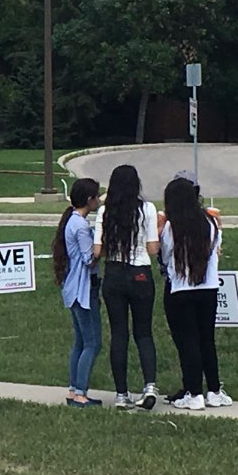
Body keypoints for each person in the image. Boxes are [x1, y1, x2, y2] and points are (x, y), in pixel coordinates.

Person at [160, 176, 232, 411]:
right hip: (208, 288)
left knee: (187, 341)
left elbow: (165, 254)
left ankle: (193, 392)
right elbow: (216, 251)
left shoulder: (172, 228)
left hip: (180, 288)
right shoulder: (210, 223)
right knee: (206, 340)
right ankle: (213, 390)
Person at [94, 164, 160, 411]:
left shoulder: (104, 212)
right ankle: (149, 386)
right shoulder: (148, 209)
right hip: (140, 271)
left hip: (114, 272)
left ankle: (121, 394)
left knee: (119, 334)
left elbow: (97, 251)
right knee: (143, 332)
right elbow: (153, 249)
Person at [52, 178, 103, 408]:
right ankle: (81, 392)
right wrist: (103, 245)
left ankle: (74, 390)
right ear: (89, 200)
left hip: (72, 288)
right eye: (97, 197)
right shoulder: (81, 226)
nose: (99, 200)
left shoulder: (72, 220)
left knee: (80, 342)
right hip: (84, 290)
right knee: (93, 343)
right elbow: (88, 259)